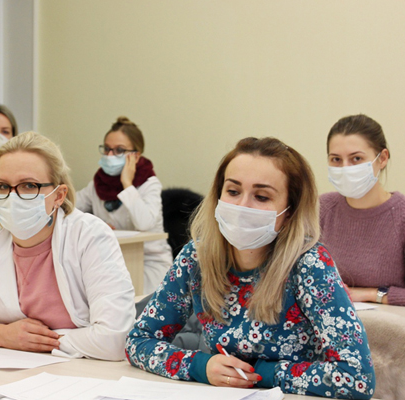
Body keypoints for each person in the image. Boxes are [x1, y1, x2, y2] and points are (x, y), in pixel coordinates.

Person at [126, 137, 375, 399]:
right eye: (233, 191)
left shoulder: (310, 265)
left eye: (261, 196)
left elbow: (357, 378)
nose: (242, 206)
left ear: (290, 211)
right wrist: (200, 366)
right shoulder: (197, 256)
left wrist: (260, 373)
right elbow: (138, 341)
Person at [0, 131, 135, 360]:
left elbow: (116, 338)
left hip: (84, 369)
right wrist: (2, 335)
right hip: (16, 368)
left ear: (58, 195)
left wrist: (35, 342)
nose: (13, 197)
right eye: (3, 186)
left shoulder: (89, 235)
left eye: (28, 186)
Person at [76, 117, 172, 294]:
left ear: (136, 155)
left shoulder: (149, 184)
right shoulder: (98, 184)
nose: (110, 155)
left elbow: (144, 223)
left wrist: (127, 184)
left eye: (119, 150)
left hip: (148, 265)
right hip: (112, 263)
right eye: (107, 149)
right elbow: (69, 207)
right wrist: (96, 224)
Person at [320, 114, 405, 306]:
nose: (345, 168)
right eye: (336, 159)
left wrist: (370, 294)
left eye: (356, 158)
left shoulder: (401, 216)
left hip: (390, 323)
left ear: (382, 158)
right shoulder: (321, 209)